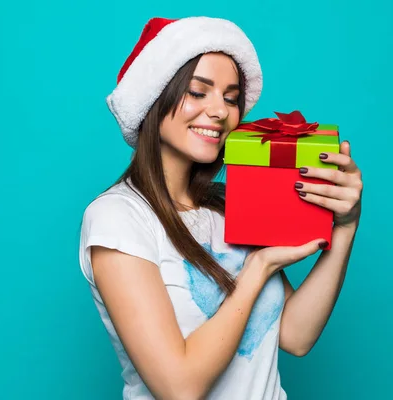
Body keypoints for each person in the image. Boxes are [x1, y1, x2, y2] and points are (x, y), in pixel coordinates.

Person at [78, 16, 363, 400]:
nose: (220, 112)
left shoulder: (229, 205)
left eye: (231, 98)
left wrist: (344, 228)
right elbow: (179, 387)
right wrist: (257, 268)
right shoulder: (118, 219)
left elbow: (295, 336)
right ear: (153, 98)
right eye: (198, 92)